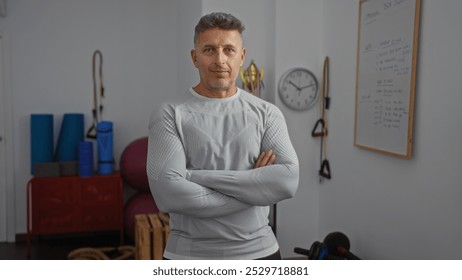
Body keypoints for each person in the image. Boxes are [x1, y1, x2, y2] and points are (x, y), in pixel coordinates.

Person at [147, 12, 299, 260]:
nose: (220, 60)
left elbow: (287, 182)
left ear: (242, 56)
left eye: (229, 50)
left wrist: (194, 176)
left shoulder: (267, 113)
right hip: (189, 257)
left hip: (260, 254)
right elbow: (169, 195)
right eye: (209, 50)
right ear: (195, 57)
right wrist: (255, 187)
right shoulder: (170, 113)